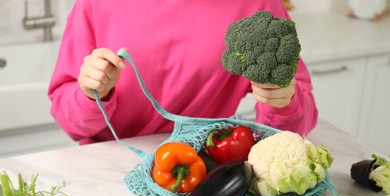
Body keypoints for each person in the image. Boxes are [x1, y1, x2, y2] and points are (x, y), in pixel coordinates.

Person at [48, 0, 318, 145]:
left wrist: (283, 103)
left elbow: (293, 126)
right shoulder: (96, 3)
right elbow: (70, 122)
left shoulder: (257, 5)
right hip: (106, 167)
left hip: (203, 169)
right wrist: (91, 94)